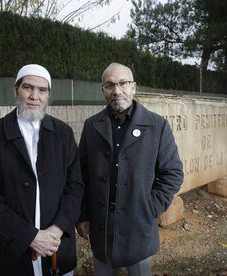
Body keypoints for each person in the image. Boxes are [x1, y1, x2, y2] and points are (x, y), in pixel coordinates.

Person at [0, 64, 83, 276]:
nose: (34, 96)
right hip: (13, 251)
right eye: (28, 88)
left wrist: (57, 229)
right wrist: (29, 236)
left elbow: (75, 187)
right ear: (16, 90)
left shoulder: (63, 134)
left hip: (57, 247)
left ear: (48, 95)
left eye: (42, 90)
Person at [76, 62, 183, 275]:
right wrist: (83, 215)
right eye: (110, 85)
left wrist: (149, 208)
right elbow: (81, 175)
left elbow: (173, 173)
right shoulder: (91, 126)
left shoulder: (157, 125)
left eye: (123, 83)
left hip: (138, 224)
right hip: (101, 223)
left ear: (134, 87)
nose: (117, 91)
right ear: (103, 90)